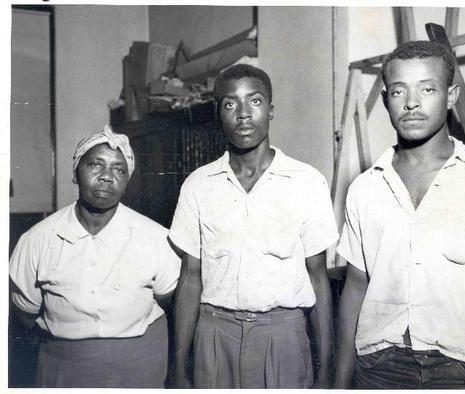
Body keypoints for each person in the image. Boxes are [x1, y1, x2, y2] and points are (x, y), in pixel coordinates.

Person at [335, 40, 465, 389]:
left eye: (427, 89)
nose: (411, 103)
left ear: (451, 96)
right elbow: (355, 287)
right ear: (385, 99)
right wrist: (340, 383)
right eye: (398, 91)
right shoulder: (365, 187)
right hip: (379, 366)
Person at [168, 64, 339, 389]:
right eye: (231, 104)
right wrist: (177, 368)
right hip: (214, 336)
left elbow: (318, 276)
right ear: (219, 114)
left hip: (283, 337)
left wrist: (326, 367)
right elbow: (190, 277)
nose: (243, 114)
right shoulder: (198, 185)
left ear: (271, 110)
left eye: (255, 101)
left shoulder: (306, 182)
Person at [9, 126, 181, 388]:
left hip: (140, 363)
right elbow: (25, 314)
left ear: (127, 181)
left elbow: (168, 300)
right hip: (64, 364)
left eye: (119, 170)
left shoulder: (155, 237)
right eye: (95, 165)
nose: (106, 177)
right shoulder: (37, 240)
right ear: (76, 172)